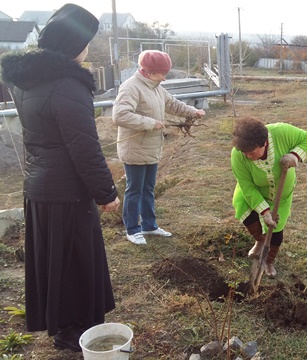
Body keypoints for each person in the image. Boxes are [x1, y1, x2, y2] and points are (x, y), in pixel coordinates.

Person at [0, 3, 120, 352]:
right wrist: (106, 192)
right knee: (76, 261)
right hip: (67, 191)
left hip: (39, 186)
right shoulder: (68, 84)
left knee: (56, 262)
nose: (87, 50)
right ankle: (75, 332)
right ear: (72, 44)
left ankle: (62, 327)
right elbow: (84, 146)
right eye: (85, 43)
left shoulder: (25, 77)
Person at [113, 50, 205, 245]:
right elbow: (120, 115)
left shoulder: (156, 87)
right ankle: (132, 229)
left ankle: (149, 225)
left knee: (148, 188)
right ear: (148, 71)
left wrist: (193, 112)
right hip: (135, 149)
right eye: (162, 74)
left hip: (152, 148)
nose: (164, 78)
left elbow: (173, 104)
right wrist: (149, 122)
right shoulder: (131, 88)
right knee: (134, 190)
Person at [231, 117, 307, 276]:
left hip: (280, 194)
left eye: (251, 152)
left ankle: (268, 261)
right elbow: (247, 187)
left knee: (276, 227)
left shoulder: (281, 132)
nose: (248, 156)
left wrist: (294, 155)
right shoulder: (238, 155)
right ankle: (261, 240)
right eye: (244, 153)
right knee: (242, 205)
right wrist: (264, 212)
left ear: (263, 143)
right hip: (254, 190)